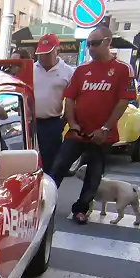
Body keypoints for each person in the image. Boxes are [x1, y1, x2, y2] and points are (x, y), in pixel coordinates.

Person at [50, 26, 137, 224]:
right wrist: (72, 123)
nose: (90, 48)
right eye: (88, 44)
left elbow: (123, 102)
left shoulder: (123, 70)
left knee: (94, 175)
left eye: (94, 43)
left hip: (102, 135)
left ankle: (81, 209)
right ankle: (46, 204)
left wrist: (105, 128)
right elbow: (70, 99)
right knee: (58, 167)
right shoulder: (81, 70)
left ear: (108, 42)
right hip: (77, 132)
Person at [32, 33, 75, 173]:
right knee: (30, 160)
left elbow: (72, 99)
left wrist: (66, 120)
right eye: (41, 54)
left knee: (50, 162)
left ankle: (47, 191)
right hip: (30, 122)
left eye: (47, 53)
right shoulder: (30, 69)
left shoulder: (68, 72)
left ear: (57, 51)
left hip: (52, 123)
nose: (43, 57)